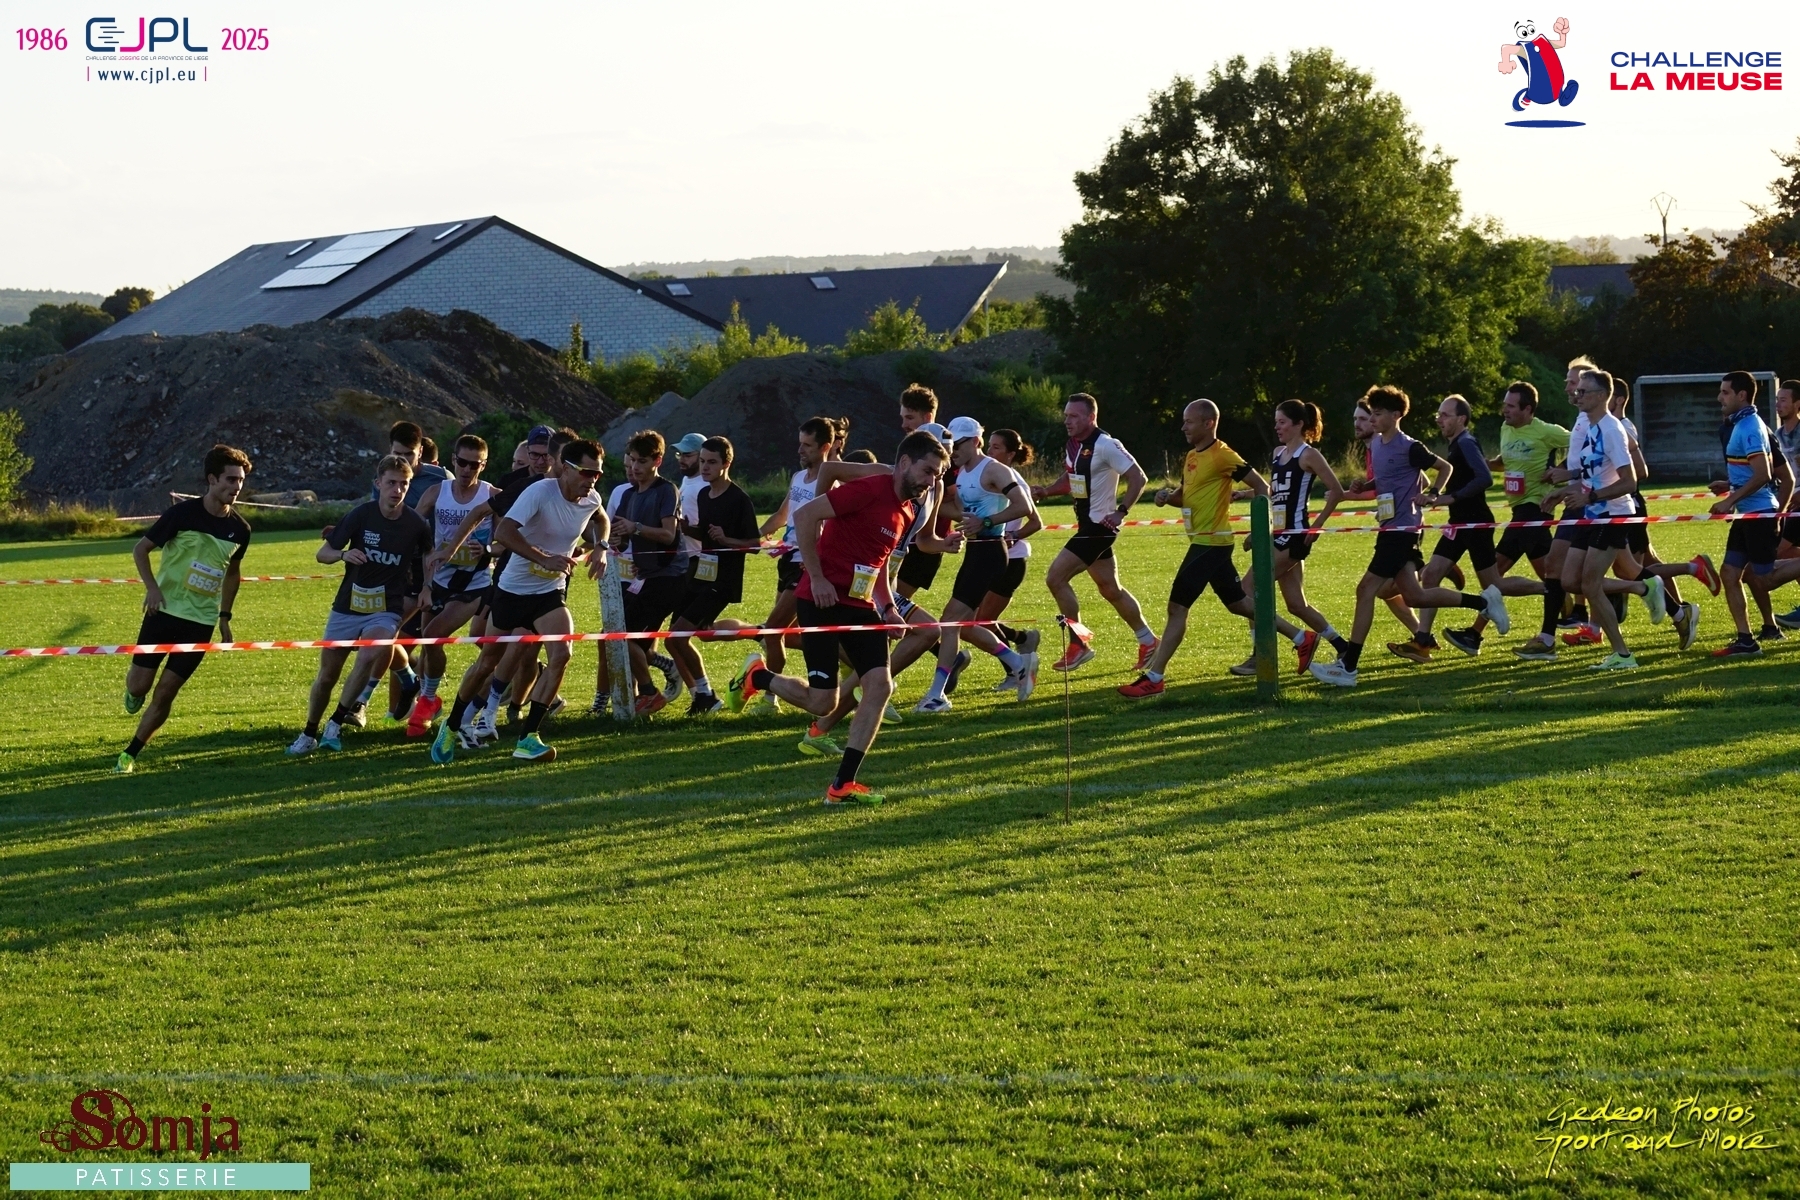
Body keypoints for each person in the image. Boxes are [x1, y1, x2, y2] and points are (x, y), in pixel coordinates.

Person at [727, 430, 950, 805]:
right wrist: (816, 578)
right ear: (905, 463)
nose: (932, 482)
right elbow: (805, 515)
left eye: (938, 475)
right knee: (822, 704)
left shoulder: (908, 510)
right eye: (928, 471)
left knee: (880, 686)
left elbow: (878, 564)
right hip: (820, 600)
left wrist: (889, 608)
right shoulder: (869, 489)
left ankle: (842, 785)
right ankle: (757, 676)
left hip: (861, 604)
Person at [1309, 385, 1512, 687]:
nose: (1372, 419)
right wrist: (1365, 486)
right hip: (1390, 528)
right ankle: (1483, 602)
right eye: (1371, 414)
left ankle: (1348, 666)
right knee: (1415, 596)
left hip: (1401, 530)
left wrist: (1434, 493)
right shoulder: (1377, 445)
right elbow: (1387, 478)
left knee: (1365, 590)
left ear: (1396, 415)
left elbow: (1444, 467)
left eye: (1378, 414)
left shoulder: (1410, 446)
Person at [1119, 400, 1320, 697]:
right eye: (1184, 421)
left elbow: (1263, 487)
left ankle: (1155, 678)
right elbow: (1185, 497)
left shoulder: (1224, 455)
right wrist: (1166, 497)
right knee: (1238, 604)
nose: (1183, 427)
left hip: (1211, 544)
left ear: (1208, 423)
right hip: (1204, 541)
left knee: (1177, 608)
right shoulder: (1191, 456)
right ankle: (1302, 638)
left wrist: (1260, 528)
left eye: (1189, 421)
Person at [433, 439, 607, 763]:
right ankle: (452, 724)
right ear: (566, 468)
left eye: (598, 474)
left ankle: (529, 737)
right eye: (587, 472)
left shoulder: (592, 499)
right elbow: (504, 533)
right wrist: (544, 558)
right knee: (487, 663)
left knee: (562, 653)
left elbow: (601, 519)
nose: (592, 480)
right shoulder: (539, 492)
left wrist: (601, 547)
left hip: (549, 593)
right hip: (512, 590)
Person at [114, 445, 254, 774]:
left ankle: (130, 754)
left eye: (240, 481)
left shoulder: (241, 530)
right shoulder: (181, 515)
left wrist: (224, 617)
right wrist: (152, 588)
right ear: (211, 479)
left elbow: (233, 573)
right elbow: (140, 550)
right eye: (230, 479)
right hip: (163, 612)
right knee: (139, 686)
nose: (236, 487)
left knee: (166, 692)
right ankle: (133, 694)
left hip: (199, 623)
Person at [289, 455, 433, 755]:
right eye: (391, 483)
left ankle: (335, 722)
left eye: (404, 484)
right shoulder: (360, 515)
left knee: (368, 655)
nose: (397, 490)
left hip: (386, 608)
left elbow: (428, 555)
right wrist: (343, 555)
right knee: (327, 677)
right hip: (348, 605)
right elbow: (323, 554)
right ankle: (309, 732)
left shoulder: (416, 524)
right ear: (378, 483)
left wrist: (426, 588)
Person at [1395, 395, 1546, 662]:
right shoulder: (1455, 444)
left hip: (1476, 524)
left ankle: (1551, 589)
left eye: (1445, 415)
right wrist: (1437, 494)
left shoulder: (1466, 442)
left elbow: (1485, 478)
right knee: (1430, 575)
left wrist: (1452, 498)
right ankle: (1422, 641)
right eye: (1439, 415)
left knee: (1495, 584)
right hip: (1458, 525)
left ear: (1461, 419)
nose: (1439, 420)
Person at [1535, 369, 1666, 670]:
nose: (1577, 395)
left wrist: (1590, 497)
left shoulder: (1611, 431)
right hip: (1593, 513)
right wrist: (1562, 492)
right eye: (1577, 390)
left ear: (1602, 396)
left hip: (1613, 514)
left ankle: (1623, 655)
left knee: (1590, 584)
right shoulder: (1592, 428)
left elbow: (1630, 482)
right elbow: (1592, 475)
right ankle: (1643, 588)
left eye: (1583, 391)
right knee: (1570, 581)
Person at [911, 417, 1039, 713]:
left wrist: (987, 522)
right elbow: (962, 511)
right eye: (951, 444)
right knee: (964, 625)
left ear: (976, 441)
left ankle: (937, 695)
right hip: (976, 552)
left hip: (991, 553)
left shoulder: (994, 469)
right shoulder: (963, 473)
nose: (953, 450)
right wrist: (930, 500)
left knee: (950, 621)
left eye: (958, 444)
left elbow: (1024, 507)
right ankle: (1019, 663)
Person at [1033, 393, 1157, 672]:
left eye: (1074, 416)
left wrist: (1121, 511)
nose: (1067, 421)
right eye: (1066, 415)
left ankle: (1079, 644)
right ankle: (1148, 641)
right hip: (1087, 526)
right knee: (1111, 589)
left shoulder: (1106, 444)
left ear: (1091, 417)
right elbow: (1071, 479)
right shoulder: (1073, 444)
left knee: (1055, 578)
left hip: (1099, 528)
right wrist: (1046, 491)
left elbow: (1138, 477)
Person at [1444, 382, 1568, 656]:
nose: (1505, 410)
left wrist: (1561, 470)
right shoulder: (1505, 428)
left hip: (1534, 509)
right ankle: (1604, 595)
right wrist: (1485, 464)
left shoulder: (1546, 431)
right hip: (1518, 510)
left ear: (1528, 409)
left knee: (1495, 570)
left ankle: (1474, 634)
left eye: (1511, 406)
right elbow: (1506, 460)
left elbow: (1584, 444)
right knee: (1556, 576)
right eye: (1504, 404)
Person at [1226, 399, 1345, 676]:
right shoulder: (1278, 453)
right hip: (1277, 534)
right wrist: (1244, 494)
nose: (1277, 427)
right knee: (1297, 605)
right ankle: (1343, 647)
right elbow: (1275, 491)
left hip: (1295, 537)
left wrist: (1315, 528)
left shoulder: (1309, 455)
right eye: (1276, 422)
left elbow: (1337, 491)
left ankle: (1261, 654)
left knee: (1247, 589)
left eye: (1282, 422)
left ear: (1299, 424)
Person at [404, 434, 495, 736]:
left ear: (483, 465)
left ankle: (428, 699)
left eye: (474, 465)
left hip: (473, 583)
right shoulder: (436, 492)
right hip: (438, 579)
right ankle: (429, 700)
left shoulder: (491, 495)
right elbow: (410, 528)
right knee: (429, 645)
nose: (467, 470)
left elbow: (511, 535)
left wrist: (490, 549)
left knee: (432, 636)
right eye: (462, 463)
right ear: (453, 460)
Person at [668, 436, 760, 716]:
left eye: (711, 462)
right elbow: (706, 534)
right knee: (673, 639)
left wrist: (727, 539)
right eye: (702, 461)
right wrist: (686, 529)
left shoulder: (739, 499)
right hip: (701, 574)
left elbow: (754, 544)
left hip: (722, 581)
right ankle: (703, 695)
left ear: (726, 464)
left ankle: (706, 695)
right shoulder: (703, 495)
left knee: (678, 635)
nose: (704, 467)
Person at [748, 417, 836, 710]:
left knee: (774, 629)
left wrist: (813, 563)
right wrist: (752, 538)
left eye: (807, 445)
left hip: (806, 566)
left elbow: (827, 531)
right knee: (783, 634)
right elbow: (781, 516)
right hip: (787, 562)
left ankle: (770, 695)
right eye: (800, 444)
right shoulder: (798, 478)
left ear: (825, 447)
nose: (800, 450)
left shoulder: (831, 484)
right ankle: (855, 669)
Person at [610, 431, 690, 713]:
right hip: (645, 577)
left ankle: (648, 693)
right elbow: (621, 539)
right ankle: (660, 674)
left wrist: (636, 528)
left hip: (670, 577)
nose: (635, 467)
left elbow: (668, 535)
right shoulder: (629, 495)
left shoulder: (666, 490)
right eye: (632, 460)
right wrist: (614, 538)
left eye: (642, 461)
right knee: (625, 637)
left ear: (658, 460)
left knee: (621, 634)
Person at [1709, 371, 1781, 658]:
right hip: (1748, 513)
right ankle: (1746, 640)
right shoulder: (1743, 423)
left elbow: (1764, 474)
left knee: (1764, 579)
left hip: (1759, 513)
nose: (1719, 398)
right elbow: (1753, 471)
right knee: (1730, 573)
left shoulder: (1749, 426)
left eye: (1725, 392)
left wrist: (1730, 500)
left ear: (1742, 395)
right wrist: (1730, 485)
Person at [978, 428, 1045, 687]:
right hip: (989, 559)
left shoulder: (1015, 482)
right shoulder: (988, 476)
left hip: (1012, 561)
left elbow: (1036, 522)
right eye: (989, 446)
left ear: (1010, 454)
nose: (989, 451)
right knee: (977, 621)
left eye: (996, 447)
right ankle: (1022, 639)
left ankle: (1016, 673)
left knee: (980, 622)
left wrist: (1013, 536)